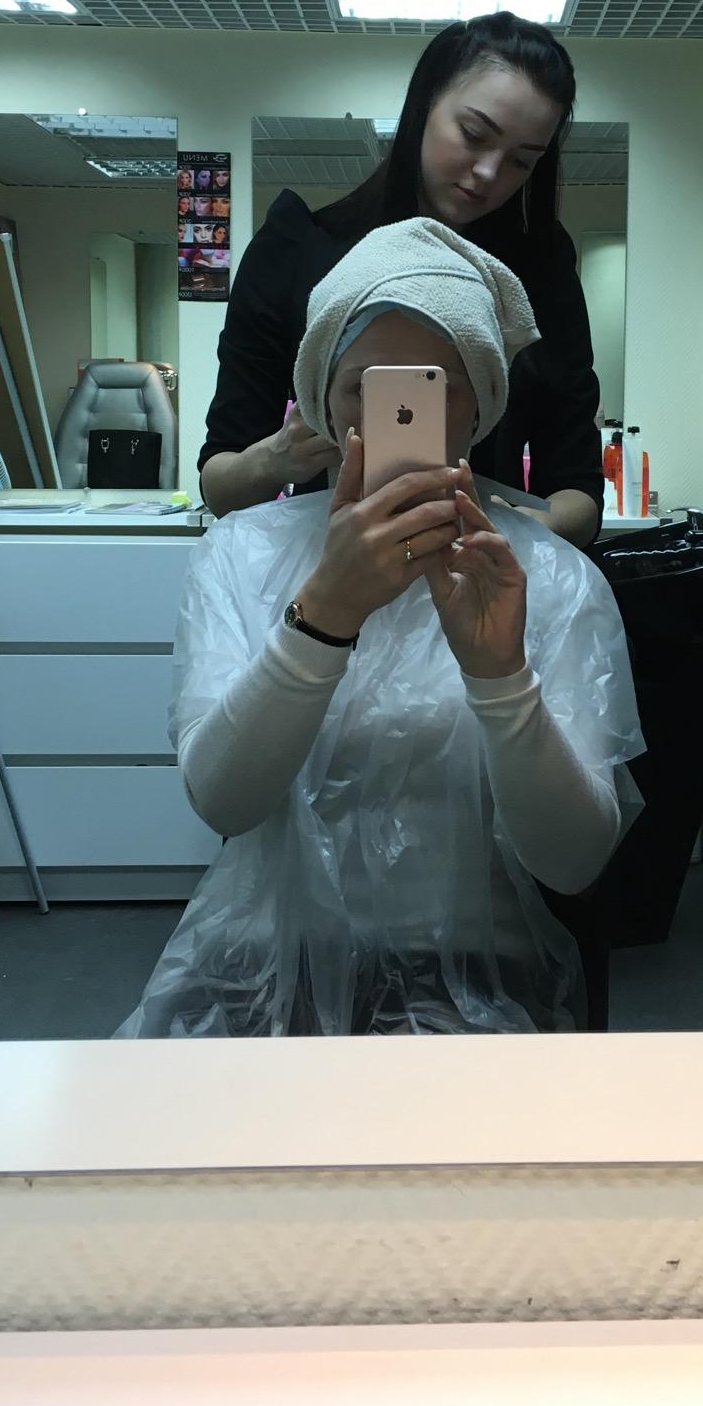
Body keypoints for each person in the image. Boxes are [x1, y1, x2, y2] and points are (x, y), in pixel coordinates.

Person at [117, 218, 642, 1039]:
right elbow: (223, 801)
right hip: (263, 977)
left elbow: (574, 862)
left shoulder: (551, 579)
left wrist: (501, 678)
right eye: (362, 384)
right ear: (320, 399)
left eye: (429, 387)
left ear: (480, 406)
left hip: (484, 984)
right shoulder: (243, 556)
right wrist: (323, 619)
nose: (388, 413)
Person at [199, 11, 605, 548]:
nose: (489, 173)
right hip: (329, 572)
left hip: (482, 572)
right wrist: (278, 456)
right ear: (423, 106)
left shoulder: (538, 273)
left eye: (521, 162)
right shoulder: (295, 249)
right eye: (473, 135)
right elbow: (220, 486)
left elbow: (578, 490)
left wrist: (530, 530)